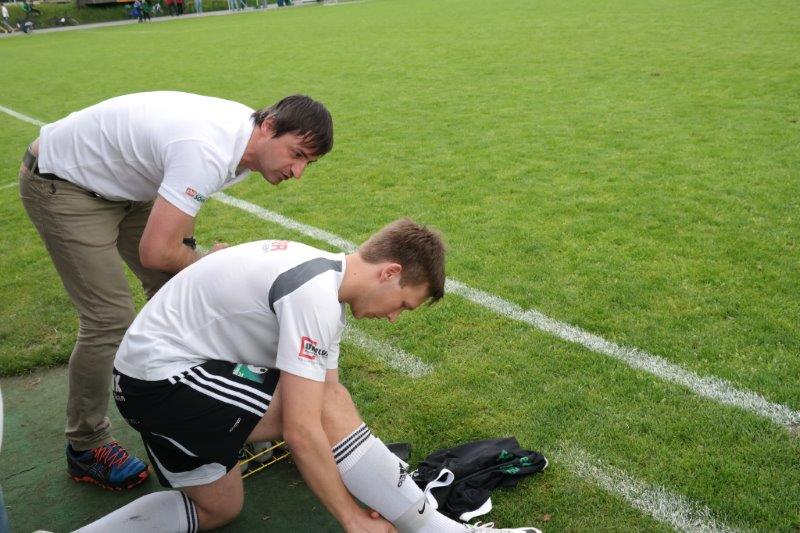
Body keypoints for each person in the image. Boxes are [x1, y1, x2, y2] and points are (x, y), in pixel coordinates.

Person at [74, 219, 538, 533]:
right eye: (403, 304)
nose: (395, 317)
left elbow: (328, 389)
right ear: (390, 272)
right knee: (321, 410)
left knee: (217, 508)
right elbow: (304, 426)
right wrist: (352, 518)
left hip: (152, 380)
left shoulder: (323, 282)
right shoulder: (314, 294)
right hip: (161, 383)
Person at [18, 91, 333, 492]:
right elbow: (157, 252)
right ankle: (86, 445)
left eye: (309, 163)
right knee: (109, 318)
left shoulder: (245, 149)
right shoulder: (208, 149)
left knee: (180, 288)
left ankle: (220, 404)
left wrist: (197, 265)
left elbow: (174, 251)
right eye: (297, 154)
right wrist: (210, 264)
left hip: (128, 185)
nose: (299, 171)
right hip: (63, 184)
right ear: (269, 126)